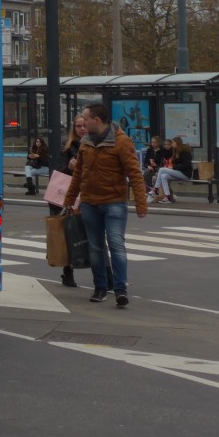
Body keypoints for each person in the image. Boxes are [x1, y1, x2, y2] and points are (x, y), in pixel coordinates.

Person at [62, 102, 148, 307]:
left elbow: (134, 174)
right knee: (95, 247)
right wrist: (69, 200)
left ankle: (120, 290)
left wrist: (141, 203)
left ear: (97, 121)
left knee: (116, 245)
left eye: (86, 119)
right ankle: (100, 287)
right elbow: (78, 174)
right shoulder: (85, 143)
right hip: (90, 203)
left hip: (114, 203)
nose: (82, 123)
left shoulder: (122, 142)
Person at [49, 115, 86, 288]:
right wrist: (69, 166)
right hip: (70, 194)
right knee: (68, 232)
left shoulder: (94, 145)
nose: (82, 129)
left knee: (93, 235)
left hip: (88, 193)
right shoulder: (68, 147)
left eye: (84, 125)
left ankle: (105, 275)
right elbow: (59, 169)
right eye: (78, 126)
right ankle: (68, 271)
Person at [153, 136, 194, 203]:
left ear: (177, 143)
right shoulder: (175, 152)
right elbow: (175, 162)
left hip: (185, 174)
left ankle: (155, 189)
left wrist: (174, 167)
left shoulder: (185, 152)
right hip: (178, 172)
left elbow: (187, 165)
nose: (172, 144)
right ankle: (167, 197)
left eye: (173, 143)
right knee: (163, 176)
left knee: (162, 170)